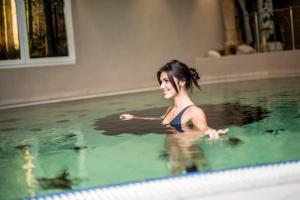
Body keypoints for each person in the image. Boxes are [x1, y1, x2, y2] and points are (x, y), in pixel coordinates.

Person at [120, 60, 228, 139]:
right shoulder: (171, 108)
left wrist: (211, 132)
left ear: (182, 81)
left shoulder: (194, 112)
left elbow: (204, 129)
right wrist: (134, 117)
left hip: (188, 160)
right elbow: (159, 120)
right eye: (161, 82)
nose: (161, 86)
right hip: (173, 158)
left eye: (166, 81)